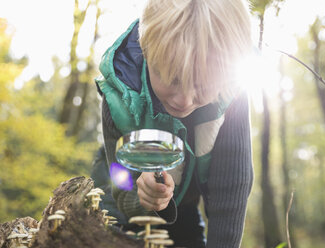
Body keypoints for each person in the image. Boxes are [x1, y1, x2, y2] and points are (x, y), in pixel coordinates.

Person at [92, 0, 254, 247]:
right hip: (116, 203)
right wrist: (143, 194)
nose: (184, 100)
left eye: (201, 87)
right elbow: (121, 187)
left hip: (184, 205)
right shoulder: (118, 96)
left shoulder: (231, 97)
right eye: (174, 79)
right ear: (146, 51)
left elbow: (229, 196)